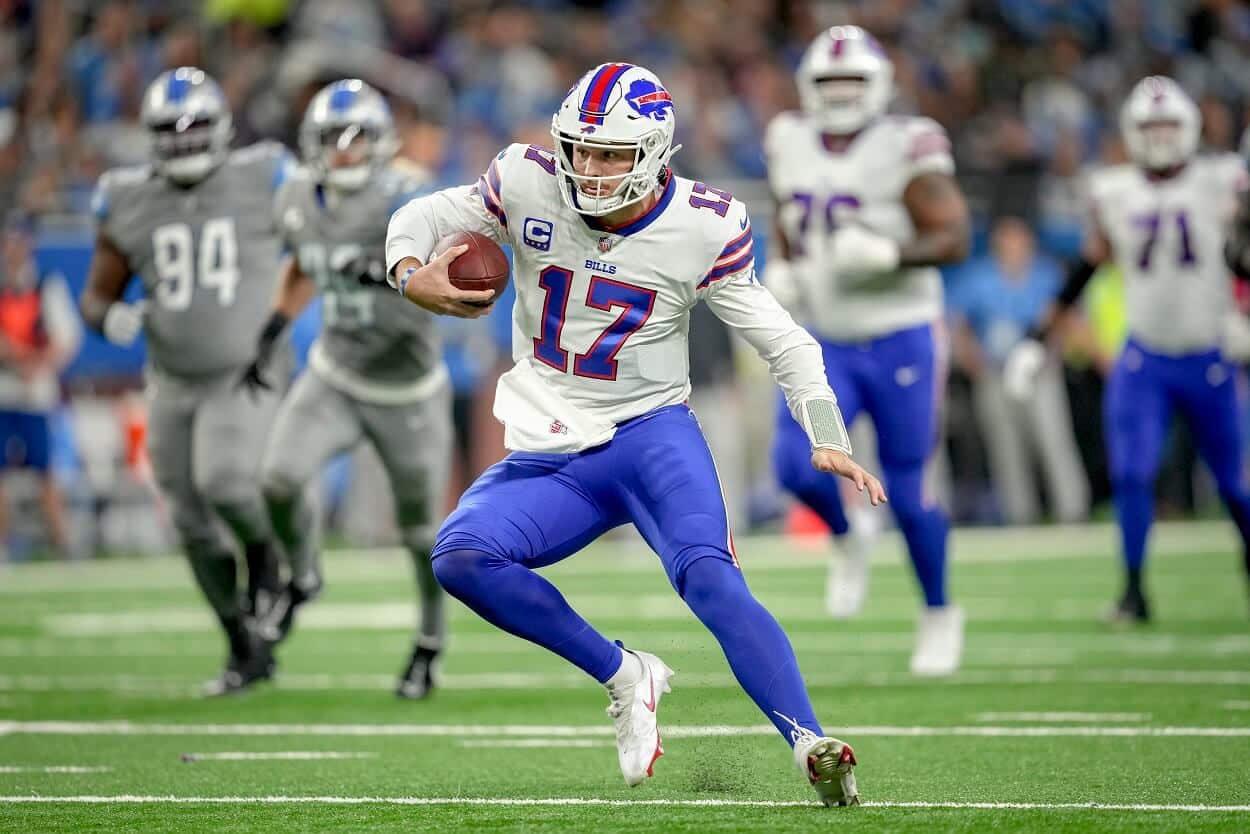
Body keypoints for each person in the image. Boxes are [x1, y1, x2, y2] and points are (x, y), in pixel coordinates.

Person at [386, 62, 885, 807]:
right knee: (460, 557)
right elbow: (422, 215)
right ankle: (625, 674)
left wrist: (826, 431)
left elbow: (787, 343)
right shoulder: (525, 180)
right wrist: (406, 272)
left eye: (612, 153)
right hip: (555, 445)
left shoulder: (702, 224)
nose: (590, 168)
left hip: (652, 437)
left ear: (654, 151)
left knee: (711, 578)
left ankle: (809, 741)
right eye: (581, 149)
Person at [763, 26, 970, 674]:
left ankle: (938, 611)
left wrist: (892, 253)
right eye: (830, 82)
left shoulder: (907, 143)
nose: (842, 93)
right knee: (795, 468)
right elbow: (789, 211)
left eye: (853, 80)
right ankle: (848, 535)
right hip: (824, 337)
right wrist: (786, 264)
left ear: (878, 85)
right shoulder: (787, 137)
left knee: (909, 491)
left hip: (901, 330)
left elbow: (956, 236)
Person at [78, 67, 292, 693]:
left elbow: (316, 233)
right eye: (168, 130)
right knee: (190, 522)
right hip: (171, 377)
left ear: (221, 126)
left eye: (193, 125)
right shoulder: (126, 196)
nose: (182, 138)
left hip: (242, 368)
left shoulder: (264, 176)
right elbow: (96, 296)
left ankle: (264, 555)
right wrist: (110, 315)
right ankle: (241, 644)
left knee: (224, 480)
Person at [1007, 76, 1250, 623]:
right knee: (1133, 474)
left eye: (1169, 125)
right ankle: (1134, 589)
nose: (1160, 136)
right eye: (1149, 126)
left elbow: (1243, 255)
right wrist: (1035, 338)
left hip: (1210, 352)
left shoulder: (1222, 180)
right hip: (1146, 358)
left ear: (1188, 129)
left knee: (1235, 484)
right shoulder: (1114, 189)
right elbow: (1087, 266)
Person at [243, 79, 452, 700]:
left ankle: (430, 639)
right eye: (333, 139)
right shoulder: (298, 198)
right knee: (277, 478)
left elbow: (454, 268)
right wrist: (275, 326)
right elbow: (305, 263)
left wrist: (393, 271)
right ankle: (303, 575)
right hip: (335, 374)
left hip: (408, 390)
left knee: (421, 536)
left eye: (358, 137)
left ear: (382, 142)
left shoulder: (411, 194)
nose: (346, 150)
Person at [948, 216, 1089, 525]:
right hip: (995, 371)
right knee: (1005, 447)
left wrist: (1054, 353)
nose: (1012, 247)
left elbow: (1067, 316)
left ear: (1029, 243)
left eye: (1018, 240)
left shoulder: (1045, 275)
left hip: (1038, 372)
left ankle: (1072, 510)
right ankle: (1019, 515)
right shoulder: (979, 278)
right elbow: (957, 323)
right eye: (1006, 241)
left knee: (1053, 440)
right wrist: (972, 358)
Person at [0, 214, 80, 559]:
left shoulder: (47, 285)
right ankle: (3, 548)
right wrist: (16, 357)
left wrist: (39, 363)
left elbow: (66, 339)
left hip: (35, 395)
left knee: (47, 474)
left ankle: (63, 548)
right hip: (4, 393)